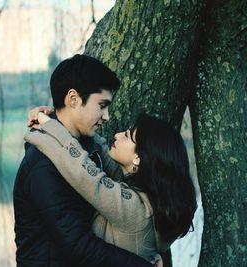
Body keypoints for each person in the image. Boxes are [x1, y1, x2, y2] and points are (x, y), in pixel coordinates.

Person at [13, 54, 155, 266]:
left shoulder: (90, 148)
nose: (106, 116)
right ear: (73, 99)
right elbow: (78, 246)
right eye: (102, 105)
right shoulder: (43, 163)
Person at [24, 111, 197, 263]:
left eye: (127, 136)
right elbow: (99, 145)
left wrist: (48, 124)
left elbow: (81, 168)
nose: (117, 135)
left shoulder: (134, 210)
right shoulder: (149, 205)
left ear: (138, 158)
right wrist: (64, 115)